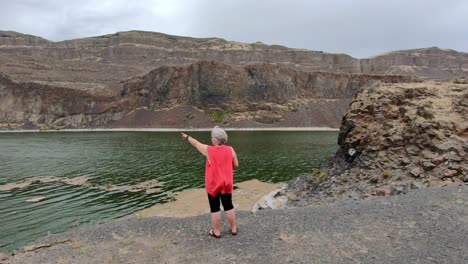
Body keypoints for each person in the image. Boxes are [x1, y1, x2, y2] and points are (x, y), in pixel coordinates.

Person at [181, 126, 239, 238]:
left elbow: (196, 143)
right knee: (228, 205)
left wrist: (187, 137)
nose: (211, 138)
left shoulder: (209, 150)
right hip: (227, 183)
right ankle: (234, 229)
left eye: (212, 137)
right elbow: (236, 165)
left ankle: (217, 232)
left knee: (215, 207)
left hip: (214, 184)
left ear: (216, 139)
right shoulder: (230, 149)